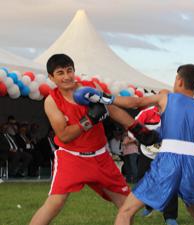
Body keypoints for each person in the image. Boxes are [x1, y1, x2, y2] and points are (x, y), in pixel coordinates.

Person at [74, 64, 194, 225]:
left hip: (169, 161)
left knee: (126, 211)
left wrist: (102, 97)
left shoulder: (166, 98)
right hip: (193, 163)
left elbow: (136, 102)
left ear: (179, 80)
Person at [29, 54, 159, 225]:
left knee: (126, 206)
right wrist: (89, 120)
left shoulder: (90, 88)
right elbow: (64, 136)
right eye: (60, 73)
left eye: (69, 70)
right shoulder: (52, 101)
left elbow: (113, 109)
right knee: (54, 204)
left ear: (74, 71)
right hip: (72, 158)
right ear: (52, 78)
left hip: (100, 157)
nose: (67, 76)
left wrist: (137, 129)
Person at [135, 106, 179, 225]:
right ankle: (148, 207)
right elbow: (132, 127)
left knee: (170, 183)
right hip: (147, 154)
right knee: (142, 181)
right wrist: (141, 138)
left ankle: (170, 217)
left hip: (166, 155)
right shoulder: (147, 112)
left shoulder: (175, 113)